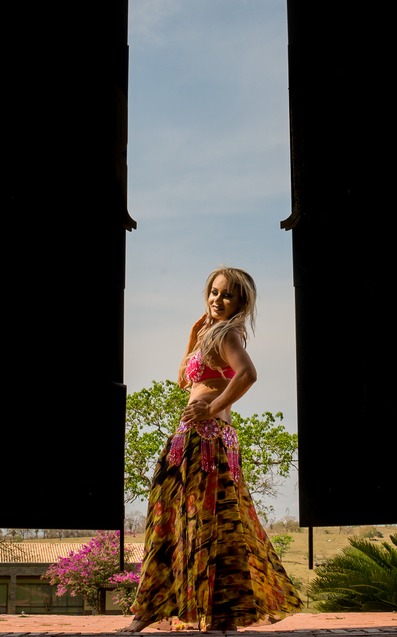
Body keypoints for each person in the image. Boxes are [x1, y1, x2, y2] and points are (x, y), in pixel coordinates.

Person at [119, 267, 301, 632]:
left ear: (240, 303)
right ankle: (174, 611)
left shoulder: (229, 333)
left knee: (205, 523)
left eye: (227, 295)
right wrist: (192, 337)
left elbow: (248, 373)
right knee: (172, 519)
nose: (217, 300)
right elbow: (185, 380)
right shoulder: (209, 333)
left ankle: (217, 614)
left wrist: (212, 407)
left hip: (206, 438)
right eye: (214, 292)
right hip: (190, 438)